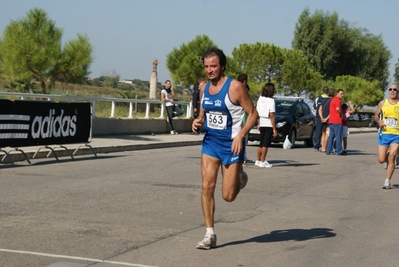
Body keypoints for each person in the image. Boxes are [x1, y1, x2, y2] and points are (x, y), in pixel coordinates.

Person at [192, 47, 258, 250]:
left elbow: (254, 114)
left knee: (228, 196)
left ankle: (240, 177)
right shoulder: (204, 88)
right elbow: (204, 112)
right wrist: (198, 120)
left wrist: (241, 134)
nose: (209, 70)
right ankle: (209, 234)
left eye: (213, 66)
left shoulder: (235, 87)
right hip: (211, 142)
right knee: (206, 186)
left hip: (231, 145)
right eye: (206, 66)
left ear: (222, 66)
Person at [374, 84, 399, 189]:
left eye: (395, 89)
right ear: (388, 91)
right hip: (384, 134)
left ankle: (387, 181)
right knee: (381, 159)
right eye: (390, 89)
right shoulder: (383, 103)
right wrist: (379, 121)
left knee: (392, 156)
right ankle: (388, 157)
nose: (392, 91)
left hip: (396, 134)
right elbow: (375, 115)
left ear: (398, 91)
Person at [254, 83, 278, 168]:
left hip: (261, 121)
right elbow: (271, 115)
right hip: (268, 123)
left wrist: (259, 123)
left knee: (261, 142)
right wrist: (274, 128)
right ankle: (263, 161)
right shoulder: (271, 101)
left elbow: (256, 112)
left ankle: (258, 160)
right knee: (265, 144)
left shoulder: (260, 99)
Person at [237, 73, 252, 166]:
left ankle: (243, 157)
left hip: (240, 116)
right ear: (245, 81)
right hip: (242, 117)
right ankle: (241, 158)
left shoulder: (233, 88)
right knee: (243, 139)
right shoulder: (242, 90)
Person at [326, 89, 345, 156]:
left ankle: (328, 150)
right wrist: (342, 114)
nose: (342, 95)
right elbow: (337, 109)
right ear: (337, 93)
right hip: (337, 121)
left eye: (343, 94)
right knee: (338, 136)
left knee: (331, 136)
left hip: (331, 121)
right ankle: (339, 150)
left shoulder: (332, 100)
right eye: (341, 93)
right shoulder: (337, 100)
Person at [318, 89, 335, 153]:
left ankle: (322, 148)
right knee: (327, 134)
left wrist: (322, 117)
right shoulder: (332, 101)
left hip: (322, 119)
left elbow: (320, 109)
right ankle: (325, 148)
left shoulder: (324, 100)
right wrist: (327, 118)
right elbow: (332, 112)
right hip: (329, 120)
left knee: (323, 133)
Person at [313, 86, 330, 151]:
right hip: (327, 117)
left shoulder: (318, 98)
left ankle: (316, 146)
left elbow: (315, 107)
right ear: (328, 91)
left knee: (318, 131)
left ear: (322, 91)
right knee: (326, 132)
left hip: (319, 117)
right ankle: (325, 146)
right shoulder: (329, 99)